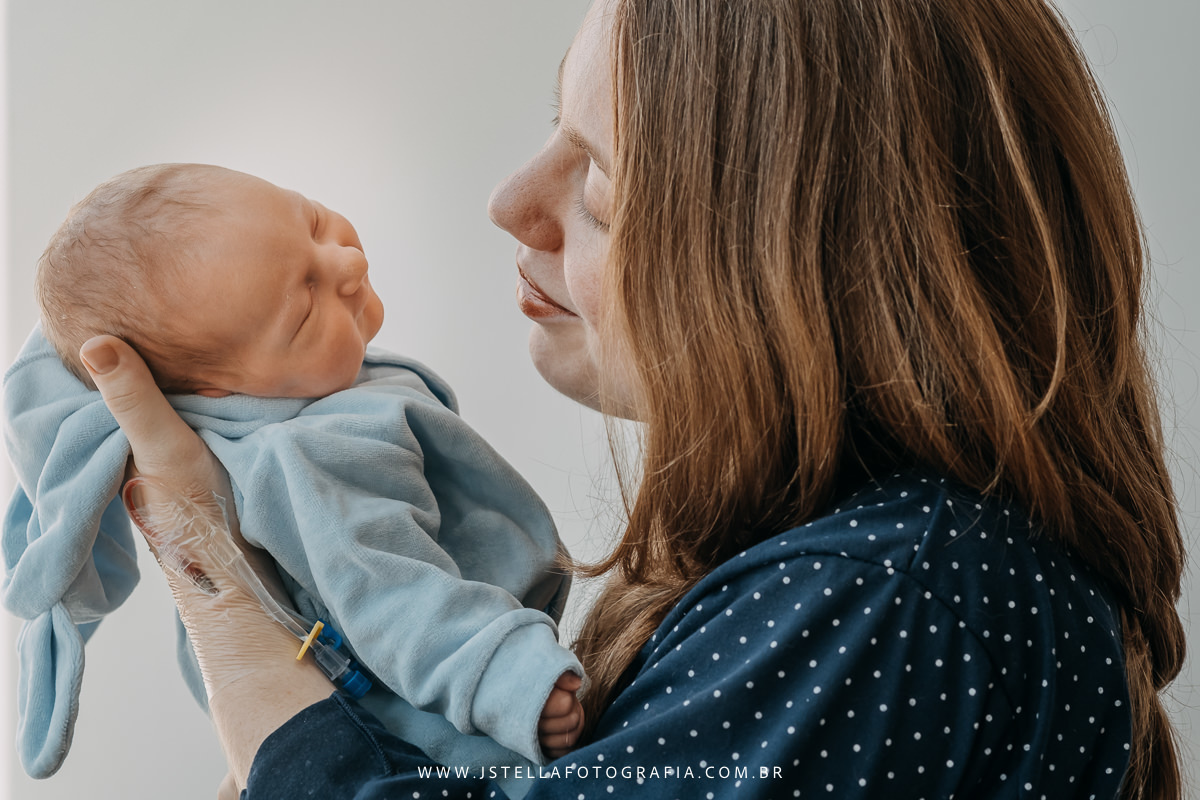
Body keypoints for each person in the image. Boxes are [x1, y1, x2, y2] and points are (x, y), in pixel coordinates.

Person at [77, 0, 1187, 797]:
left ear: (807, 261)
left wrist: (216, 589)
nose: (513, 200)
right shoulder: (865, 569)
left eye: (600, 181)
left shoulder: (888, 596)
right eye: (550, 127)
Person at [2, 164, 584, 785]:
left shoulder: (316, 390)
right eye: (305, 304)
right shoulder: (307, 456)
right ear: (219, 388)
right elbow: (388, 588)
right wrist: (500, 671)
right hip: (439, 727)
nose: (347, 264)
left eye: (309, 219)